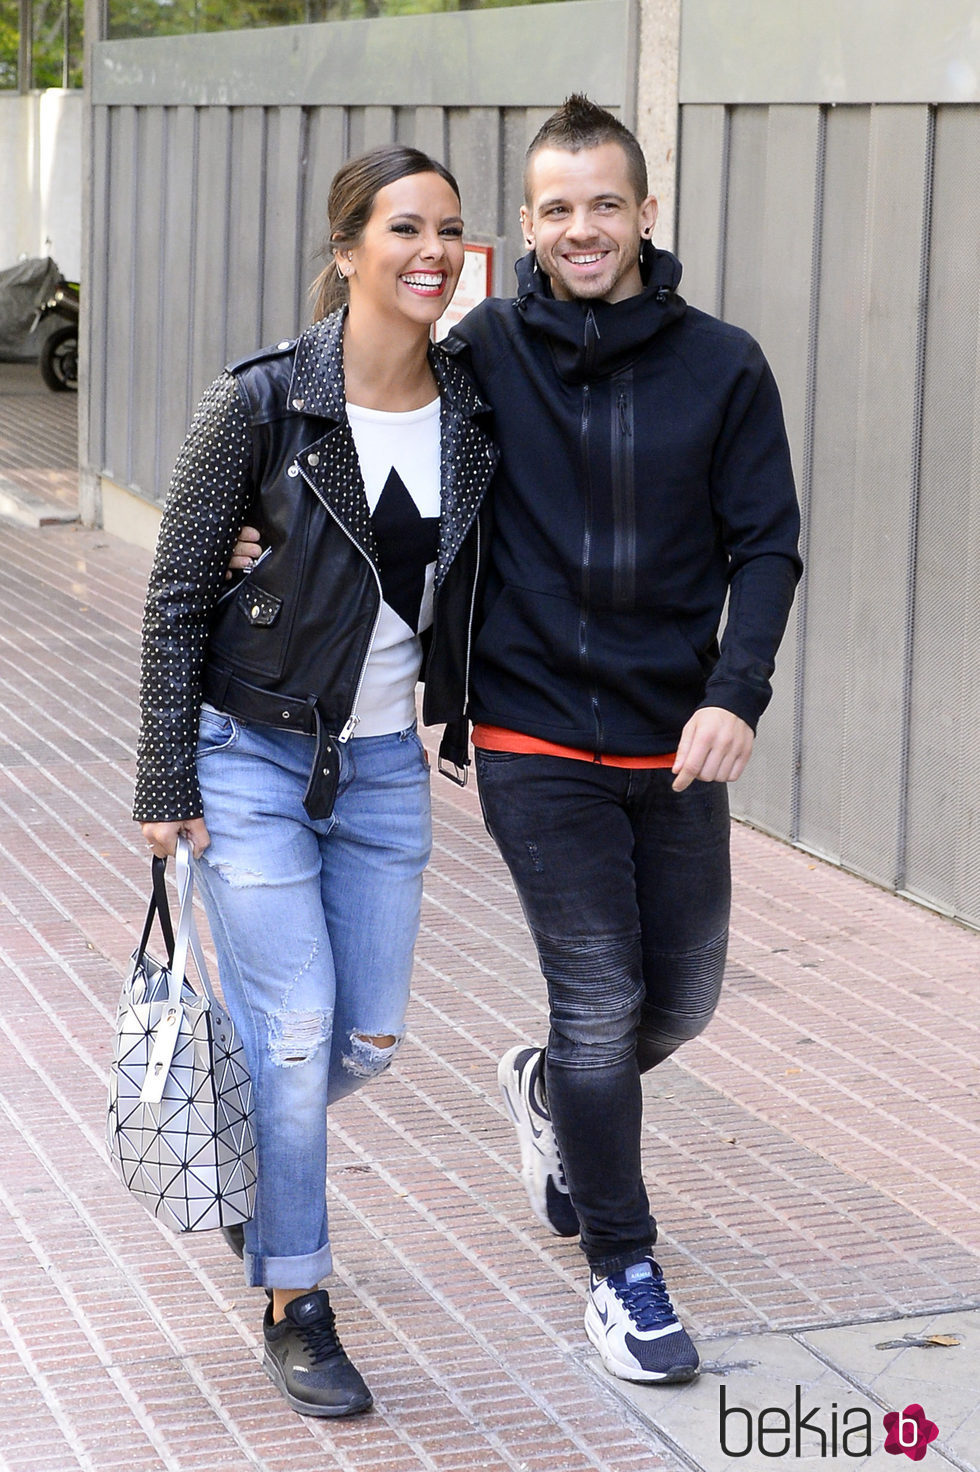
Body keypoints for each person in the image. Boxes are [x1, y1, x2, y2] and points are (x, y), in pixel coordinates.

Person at [231, 96, 802, 1388]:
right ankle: (625, 1269)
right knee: (601, 1000)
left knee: (683, 997)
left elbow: (769, 543)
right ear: (528, 226)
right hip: (532, 728)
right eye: (556, 208)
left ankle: (553, 1096)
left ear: (647, 215)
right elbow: (342, 400)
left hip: (677, 737)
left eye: (607, 204)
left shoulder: (727, 367)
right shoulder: (483, 354)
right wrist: (248, 527)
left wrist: (737, 690)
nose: (583, 228)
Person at [134, 143, 496, 1419]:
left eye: (449, 229)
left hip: (385, 760)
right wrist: (162, 775)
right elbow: (178, 593)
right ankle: (297, 1295)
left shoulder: (472, 404)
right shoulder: (265, 402)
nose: (431, 250)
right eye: (403, 227)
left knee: (360, 1040)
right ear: (347, 249)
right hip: (248, 752)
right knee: (293, 1036)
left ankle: (256, 1142)